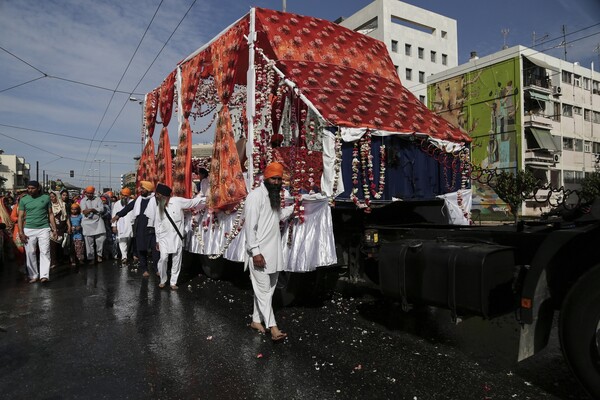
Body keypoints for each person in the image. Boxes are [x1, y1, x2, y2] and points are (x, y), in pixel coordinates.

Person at [244, 162, 294, 341]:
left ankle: (256, 320)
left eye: (280, 179)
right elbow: (250, 228)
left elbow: (277, 217)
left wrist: (295, 207)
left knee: (268, 291)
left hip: (274, 253)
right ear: (266, 178)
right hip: (259, 254)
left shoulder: (273, 197)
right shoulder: (255, 197)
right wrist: (255, 252)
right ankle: (274, 328)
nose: (277, 182)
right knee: (264, 290)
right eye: (274, 178)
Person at [154, 183, 203, 290]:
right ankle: (163, 279)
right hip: (163, 238)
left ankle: (173, 282)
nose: (157, 197)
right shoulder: (159, 206)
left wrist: (205, 199)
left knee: (177, 259)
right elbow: (157, 224)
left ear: (165, 196)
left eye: (158, 195)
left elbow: (191, 203)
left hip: (176, 236)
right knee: (163, 258)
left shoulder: (177, 201)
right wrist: (157, 240)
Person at [112, 181, 159, 277]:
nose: (140, 190)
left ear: (148, 190)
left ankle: (157, 268)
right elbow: (128, 207)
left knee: (156, 250)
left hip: (153, 228)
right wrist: (118, 215)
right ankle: (144, 269)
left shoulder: (156, 200)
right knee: (141, 249)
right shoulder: (138, 200)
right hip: (140, 228)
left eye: (143, 188)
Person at [18, 181, 58, 283]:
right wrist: (21, 232)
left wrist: (54, 229)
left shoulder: (46, 198)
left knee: (45, 251)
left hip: (44, 229)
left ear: (38, 188)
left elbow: (50, 214)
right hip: (29, 229)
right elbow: (20, 217)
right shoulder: (24, 200)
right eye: (28, 188)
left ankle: (44, 275)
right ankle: (33, 275)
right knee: (30, 252)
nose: (30, 190)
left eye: (32, 188)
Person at [80, 186, 106, 263]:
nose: (89, 195)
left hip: (98, 222)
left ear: (93, 193)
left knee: (101, 239)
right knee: (88, 242)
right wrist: (94, 210)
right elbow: (84, 211)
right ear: (86, 193)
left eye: (91, 193)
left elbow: (101, 209)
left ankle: (99, 255)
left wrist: (92, 209)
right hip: (87, 223)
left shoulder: (98, 199)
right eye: (88, 193)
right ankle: (91, 258)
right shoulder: (83, 200)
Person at [49, 191, 71, 268]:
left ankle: (61, 259)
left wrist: (69, 226)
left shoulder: (63, 205)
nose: (52, 198)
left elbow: (67, 217)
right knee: (52, 245)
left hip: (62, 227)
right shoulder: (49, 205)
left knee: (61, 244)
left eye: (53, 196)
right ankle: (53, 262)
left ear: (57, 196)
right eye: (50, 197)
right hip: (52, 227)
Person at [111, 187, 133, 265]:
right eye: (122, 195)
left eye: (126, 195)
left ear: (129, 196)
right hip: (121, 225)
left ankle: (128, 254)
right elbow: (114, 215)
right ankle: (124, 257)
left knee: (129, 241)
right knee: (122, 241)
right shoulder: (117, 204)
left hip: (131, 225)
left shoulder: (132, 202)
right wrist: (114, 225)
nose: (124, 197)